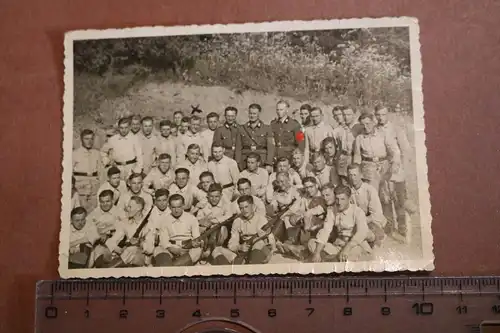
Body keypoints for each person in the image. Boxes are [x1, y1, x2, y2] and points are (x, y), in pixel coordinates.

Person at [308, 185, 374, 262]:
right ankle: (334, 259)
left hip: (354, 245)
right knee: (312, 243)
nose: (339, 202)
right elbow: (326, 231)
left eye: (343, 199)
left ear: (349, 199)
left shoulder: (357, 211)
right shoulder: (332, 210)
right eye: (337, 199)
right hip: (338, 246)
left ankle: (332, 259)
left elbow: (361, 233)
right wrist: (317, 252)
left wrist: (347, 248)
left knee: (354, 253)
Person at [374, 105, 412, 239]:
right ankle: (389, 228)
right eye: (378, 115)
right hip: (383, 169)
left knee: (399, 200)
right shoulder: (374, 129)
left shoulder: (396, 129)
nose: (380, 117)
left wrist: (401, 167)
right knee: (385, 199)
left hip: (397, 170)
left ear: (387, 114)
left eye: (383, 114)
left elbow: (405, 149)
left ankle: (402, 228)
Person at [211, 195, 276, 265]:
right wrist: (239, 247)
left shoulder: (261, 219)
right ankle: (231, 271)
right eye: (241, 208)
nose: (244, 210)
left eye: (246, 207)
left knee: (258, 243)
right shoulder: (237, 221)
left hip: (260, 251)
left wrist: (270, 252)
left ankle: (250, 267)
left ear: (253, 206)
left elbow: (271, 241)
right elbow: (232, 243)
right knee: (216, 250)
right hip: (244, 251)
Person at [276, 177, 327, 259]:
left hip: (318, 222)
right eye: (306, 187)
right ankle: (291, 241)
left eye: (311, 187)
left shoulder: (322, 196)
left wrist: (302, 215)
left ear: (316, 186)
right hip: (306, 219)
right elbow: (295, 207)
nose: (309, 190)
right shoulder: (305, 197)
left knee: (307, 218)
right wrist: (286, 215)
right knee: (287, 218)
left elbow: (318, 210)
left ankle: (302, 249)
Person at [148, 194, 203, 267]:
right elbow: (164, 241)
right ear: (169, 207)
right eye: (173, 207)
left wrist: (195, 244)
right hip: (171, 247)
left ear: (183, 205)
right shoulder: (165, 220)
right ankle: (168, 267)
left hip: (188, 248)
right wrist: (172, 249)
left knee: (197, 251)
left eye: (179, 207)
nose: (176, 210)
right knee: (158, 250)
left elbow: (196, 237)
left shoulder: (191, 218)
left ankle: (170, 268)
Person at [353, 113, 401, 192]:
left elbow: (394, 150)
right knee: (372, 194)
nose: (365, 127)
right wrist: (356, 172)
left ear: (373, 122)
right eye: (362, 125)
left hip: (384, 167)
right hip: (368, 169)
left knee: (387, 194)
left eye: (367, 123)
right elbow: (357, 156)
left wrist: (395, 163)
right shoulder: (359, 138)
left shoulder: (383, 134)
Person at [105, 196, 151, 267]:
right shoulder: (125, 222)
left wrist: (140, 243)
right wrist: (120, 250)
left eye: (130, 207)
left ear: (139, 208)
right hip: (126, 255)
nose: (127, 209)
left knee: (132, 249)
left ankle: (109, 269)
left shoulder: (149, 224)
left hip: (143, 257)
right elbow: (112, 241)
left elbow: (150, 249)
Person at [347, 164, 386, 245]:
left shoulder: (370, 190)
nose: (352, 178)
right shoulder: (348, 191)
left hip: (373, 222)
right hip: (357, 222)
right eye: (350, 175)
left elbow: (376, 214)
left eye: (355, 175)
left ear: (361, 175)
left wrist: (360, 221)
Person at [87, 190, 126, 268]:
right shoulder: (95, 212)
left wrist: (108, 231)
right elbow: (87, 227)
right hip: (100, 244)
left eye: (107, 201)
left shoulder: (120, 212)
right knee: (97, 250)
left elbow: (125, 226)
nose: (104, 204)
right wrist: (99, 233)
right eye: (102, 202)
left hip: (117, 245)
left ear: (112, 200)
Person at [196, 183, 232, 259]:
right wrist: (204, 222)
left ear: (221, 196)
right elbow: (198, 219)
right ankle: (206, 248)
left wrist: (213, 221)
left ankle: (210, 249)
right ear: (208, 196)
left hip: (221, 233)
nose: (214, 199)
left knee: (221, 228)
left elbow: (229, 216)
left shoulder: (226, 204)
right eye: (211, 196)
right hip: (207, 232)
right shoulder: (205, 205)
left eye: (216, 196)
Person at [235, 103, 275, 172]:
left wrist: (269, 163)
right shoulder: (242, 128)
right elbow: (238, 147)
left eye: (254, 114)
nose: (252, 116)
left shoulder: (267, 128)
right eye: (250, 113)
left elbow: (270, 147)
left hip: (261, 160)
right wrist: (238, 162)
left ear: (259, 114)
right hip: (245, 160)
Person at [72, 129, 102, 212]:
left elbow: (100, 172)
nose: (89, 141)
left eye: (91, 139)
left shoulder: (97, 153)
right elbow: (70, 174)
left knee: (94, 211)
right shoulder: (74, 154)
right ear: (81, 140)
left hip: (94, 188)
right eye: (86, 139)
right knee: (81, 211)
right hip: (80, 188)